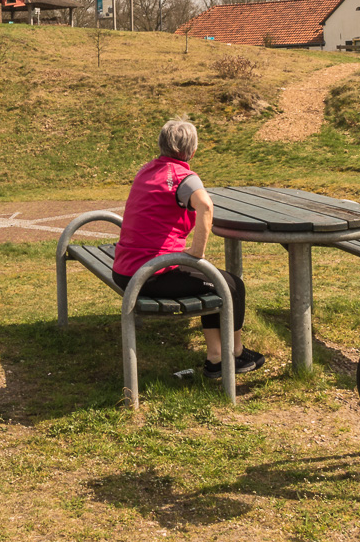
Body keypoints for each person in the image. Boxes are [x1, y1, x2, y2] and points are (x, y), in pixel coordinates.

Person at [112, 119, 264, 378]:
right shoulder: (185, 178)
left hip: (126, 268)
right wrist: (196, 254)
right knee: (232, 285)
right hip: (151, 275)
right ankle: (234, 354)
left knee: (214, 279)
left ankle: (217, 356)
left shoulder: (146, 170)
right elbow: (206, 205)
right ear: (191, 151)